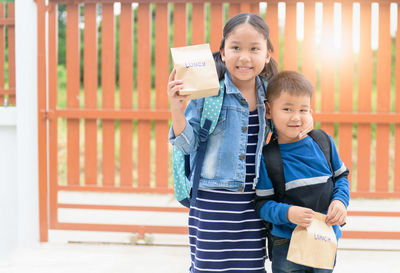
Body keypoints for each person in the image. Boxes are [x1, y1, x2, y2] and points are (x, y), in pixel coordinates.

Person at [168, 13, 312, 273]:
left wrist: (304, 121)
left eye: (254, 49)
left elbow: (290, 124)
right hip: (211, 203)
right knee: (209, 268)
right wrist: (177, 107)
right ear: (222, 52)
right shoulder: (208, 92)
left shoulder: (270, 93)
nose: (244, 57)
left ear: (267, 54)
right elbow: (186, 146)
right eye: (235, 48)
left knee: (251, 268)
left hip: (254, 203)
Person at [255, 71, 350, 273]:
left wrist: (340, 201)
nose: (296, 117)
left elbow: (341, 177)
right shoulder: (268, 157)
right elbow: (262, 205)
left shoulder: (323, 142)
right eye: (287, 109)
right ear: (269, 110)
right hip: (286, 244)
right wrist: (288, 213)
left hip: (325, 239)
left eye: (303, 110)